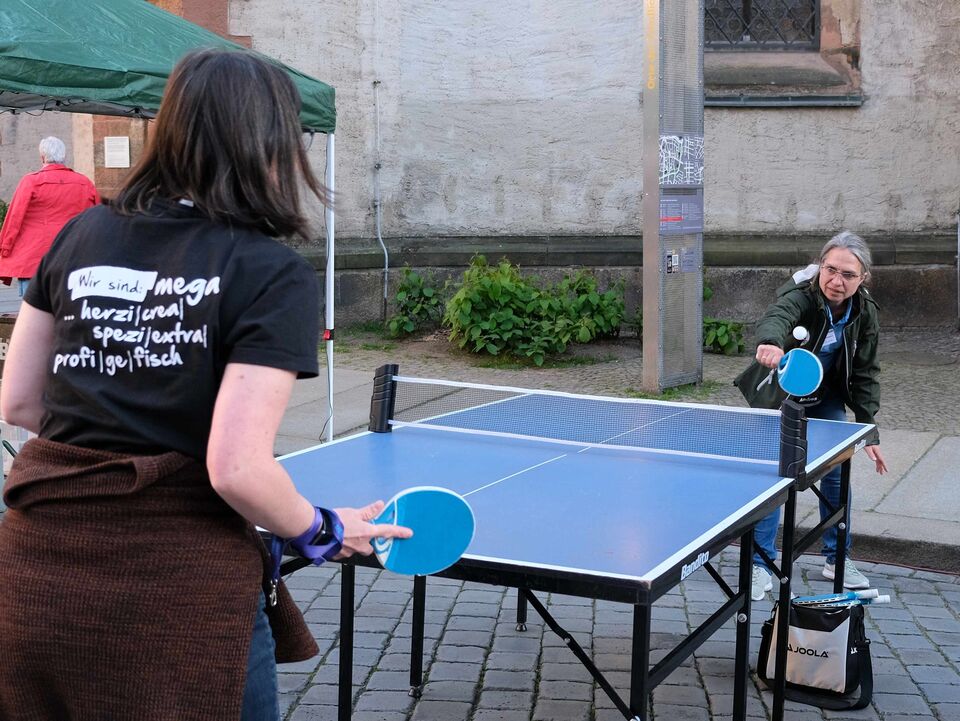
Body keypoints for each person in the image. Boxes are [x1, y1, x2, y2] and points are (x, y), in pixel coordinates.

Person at [0, 49, 411, 721]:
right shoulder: (270, 271)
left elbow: (17, 401)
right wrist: (321, 527)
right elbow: (237, 467)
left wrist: (116, 421)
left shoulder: (80, 234)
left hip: (36, 579)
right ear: (270, 144)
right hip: (176, 599)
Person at [734, 231, 888, 602]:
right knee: (776, 477)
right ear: (821, 266)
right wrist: (770, 342)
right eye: (830, 269)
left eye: (848, 274)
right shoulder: (802, 295)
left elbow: (866, 371)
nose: (836, 281)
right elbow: (778, 316)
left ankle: (837, 558)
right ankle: (760, 564)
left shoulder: (864, 311)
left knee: (835, 472)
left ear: (863, 278)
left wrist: (868, 428)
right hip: (783, 394)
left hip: (825, 397)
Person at [0, 136, 100, 295]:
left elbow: (14, 219)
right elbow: (97, 220)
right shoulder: (84, 183)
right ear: (64, 156)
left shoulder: (31, 182)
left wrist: (5, 248)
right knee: (68, 306)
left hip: (34, 259)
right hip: (72, 256)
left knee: (32, 307)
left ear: (42, 157)